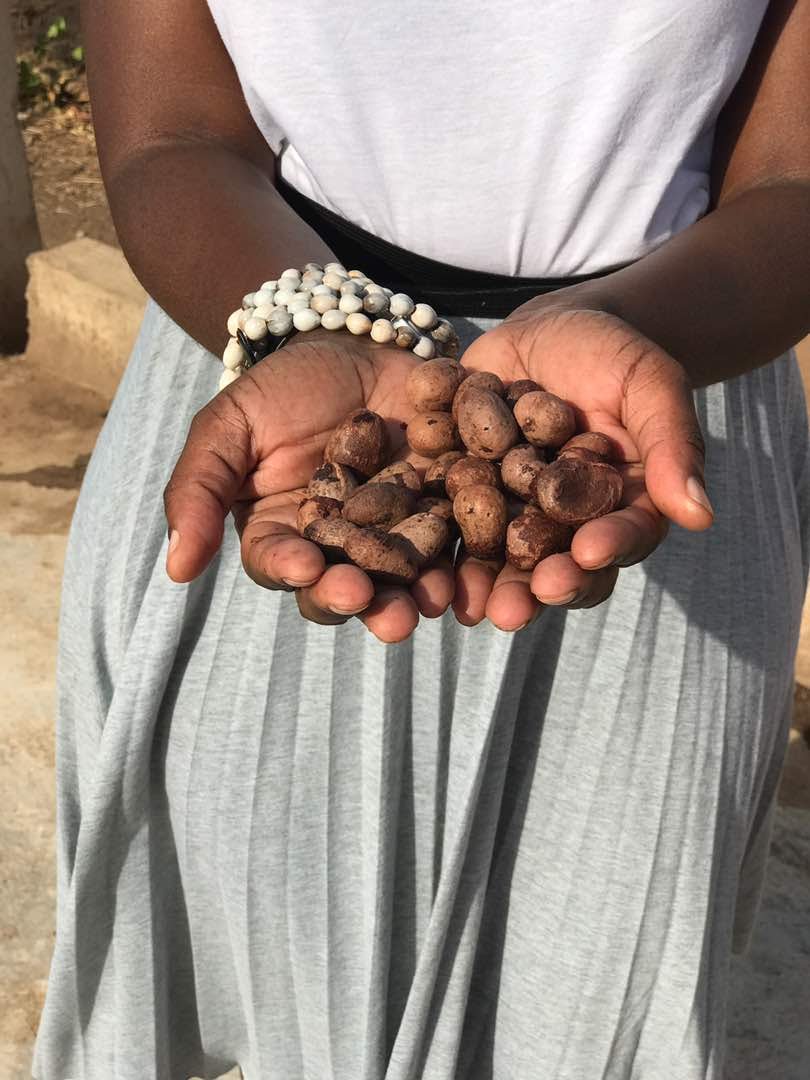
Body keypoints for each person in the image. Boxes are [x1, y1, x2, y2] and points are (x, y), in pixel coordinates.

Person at [32, 1, 810, 1077]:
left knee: (596, 992)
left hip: (661, 403)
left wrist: (637, 336)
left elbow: (793, 182)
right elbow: (173, 135)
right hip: (273, 387)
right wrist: (307, 330)